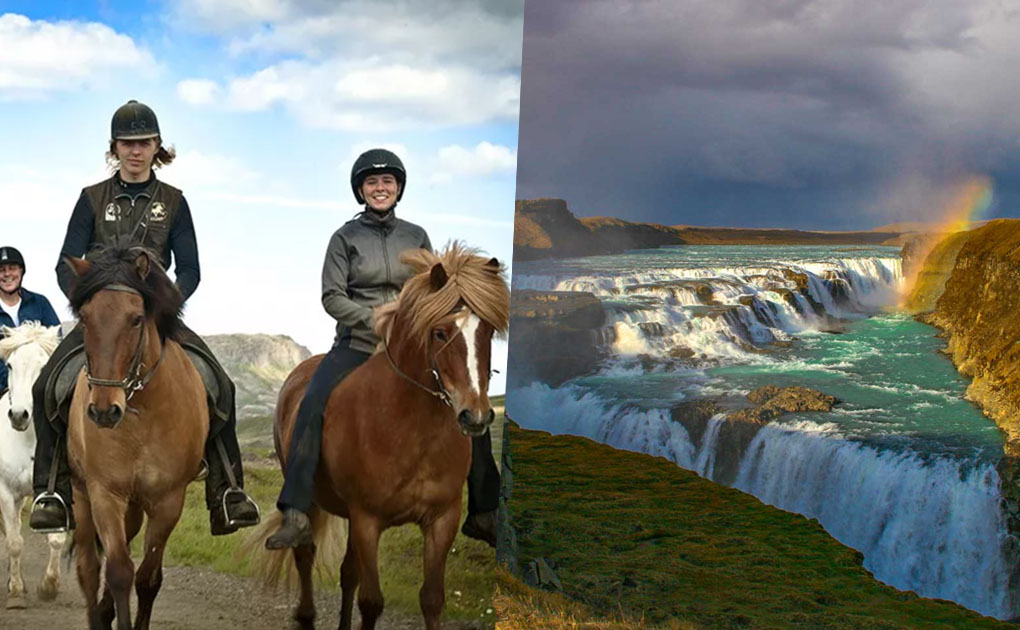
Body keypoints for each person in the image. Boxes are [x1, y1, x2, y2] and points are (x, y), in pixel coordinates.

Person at [28, 100, 260, 535]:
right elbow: (66, 262)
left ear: (158, 147)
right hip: (101, 320)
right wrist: (88, 306)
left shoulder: (174, 202)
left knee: (220, 384)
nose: (136, 151)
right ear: (114, 148)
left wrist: (162, 308)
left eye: (145, 142)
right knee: (47, 386)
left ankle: (227, 493)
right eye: (127, 143)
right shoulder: (90, 198)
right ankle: (53, 490)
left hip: (154, 316)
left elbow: (189, 269)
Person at [265, 148, 501, 549]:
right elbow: (331, 296)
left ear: (398, 188)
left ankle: (483, 510)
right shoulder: (344, 239)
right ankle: (297, 510)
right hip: (358, 343)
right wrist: (370, 317)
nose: (380, 188)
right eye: (372, 182)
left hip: (411, 347)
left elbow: (436, 289)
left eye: (387, 182)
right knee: (313, 401)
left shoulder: (416, 236)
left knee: (467, 402)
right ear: (361, 190)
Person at [0, 246, 61, 393]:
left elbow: (56, 342)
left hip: (40, 387)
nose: (7, 274)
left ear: (21, 271)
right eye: (1, 270)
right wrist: (13, 380)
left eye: (12, 268)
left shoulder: (40, 303)